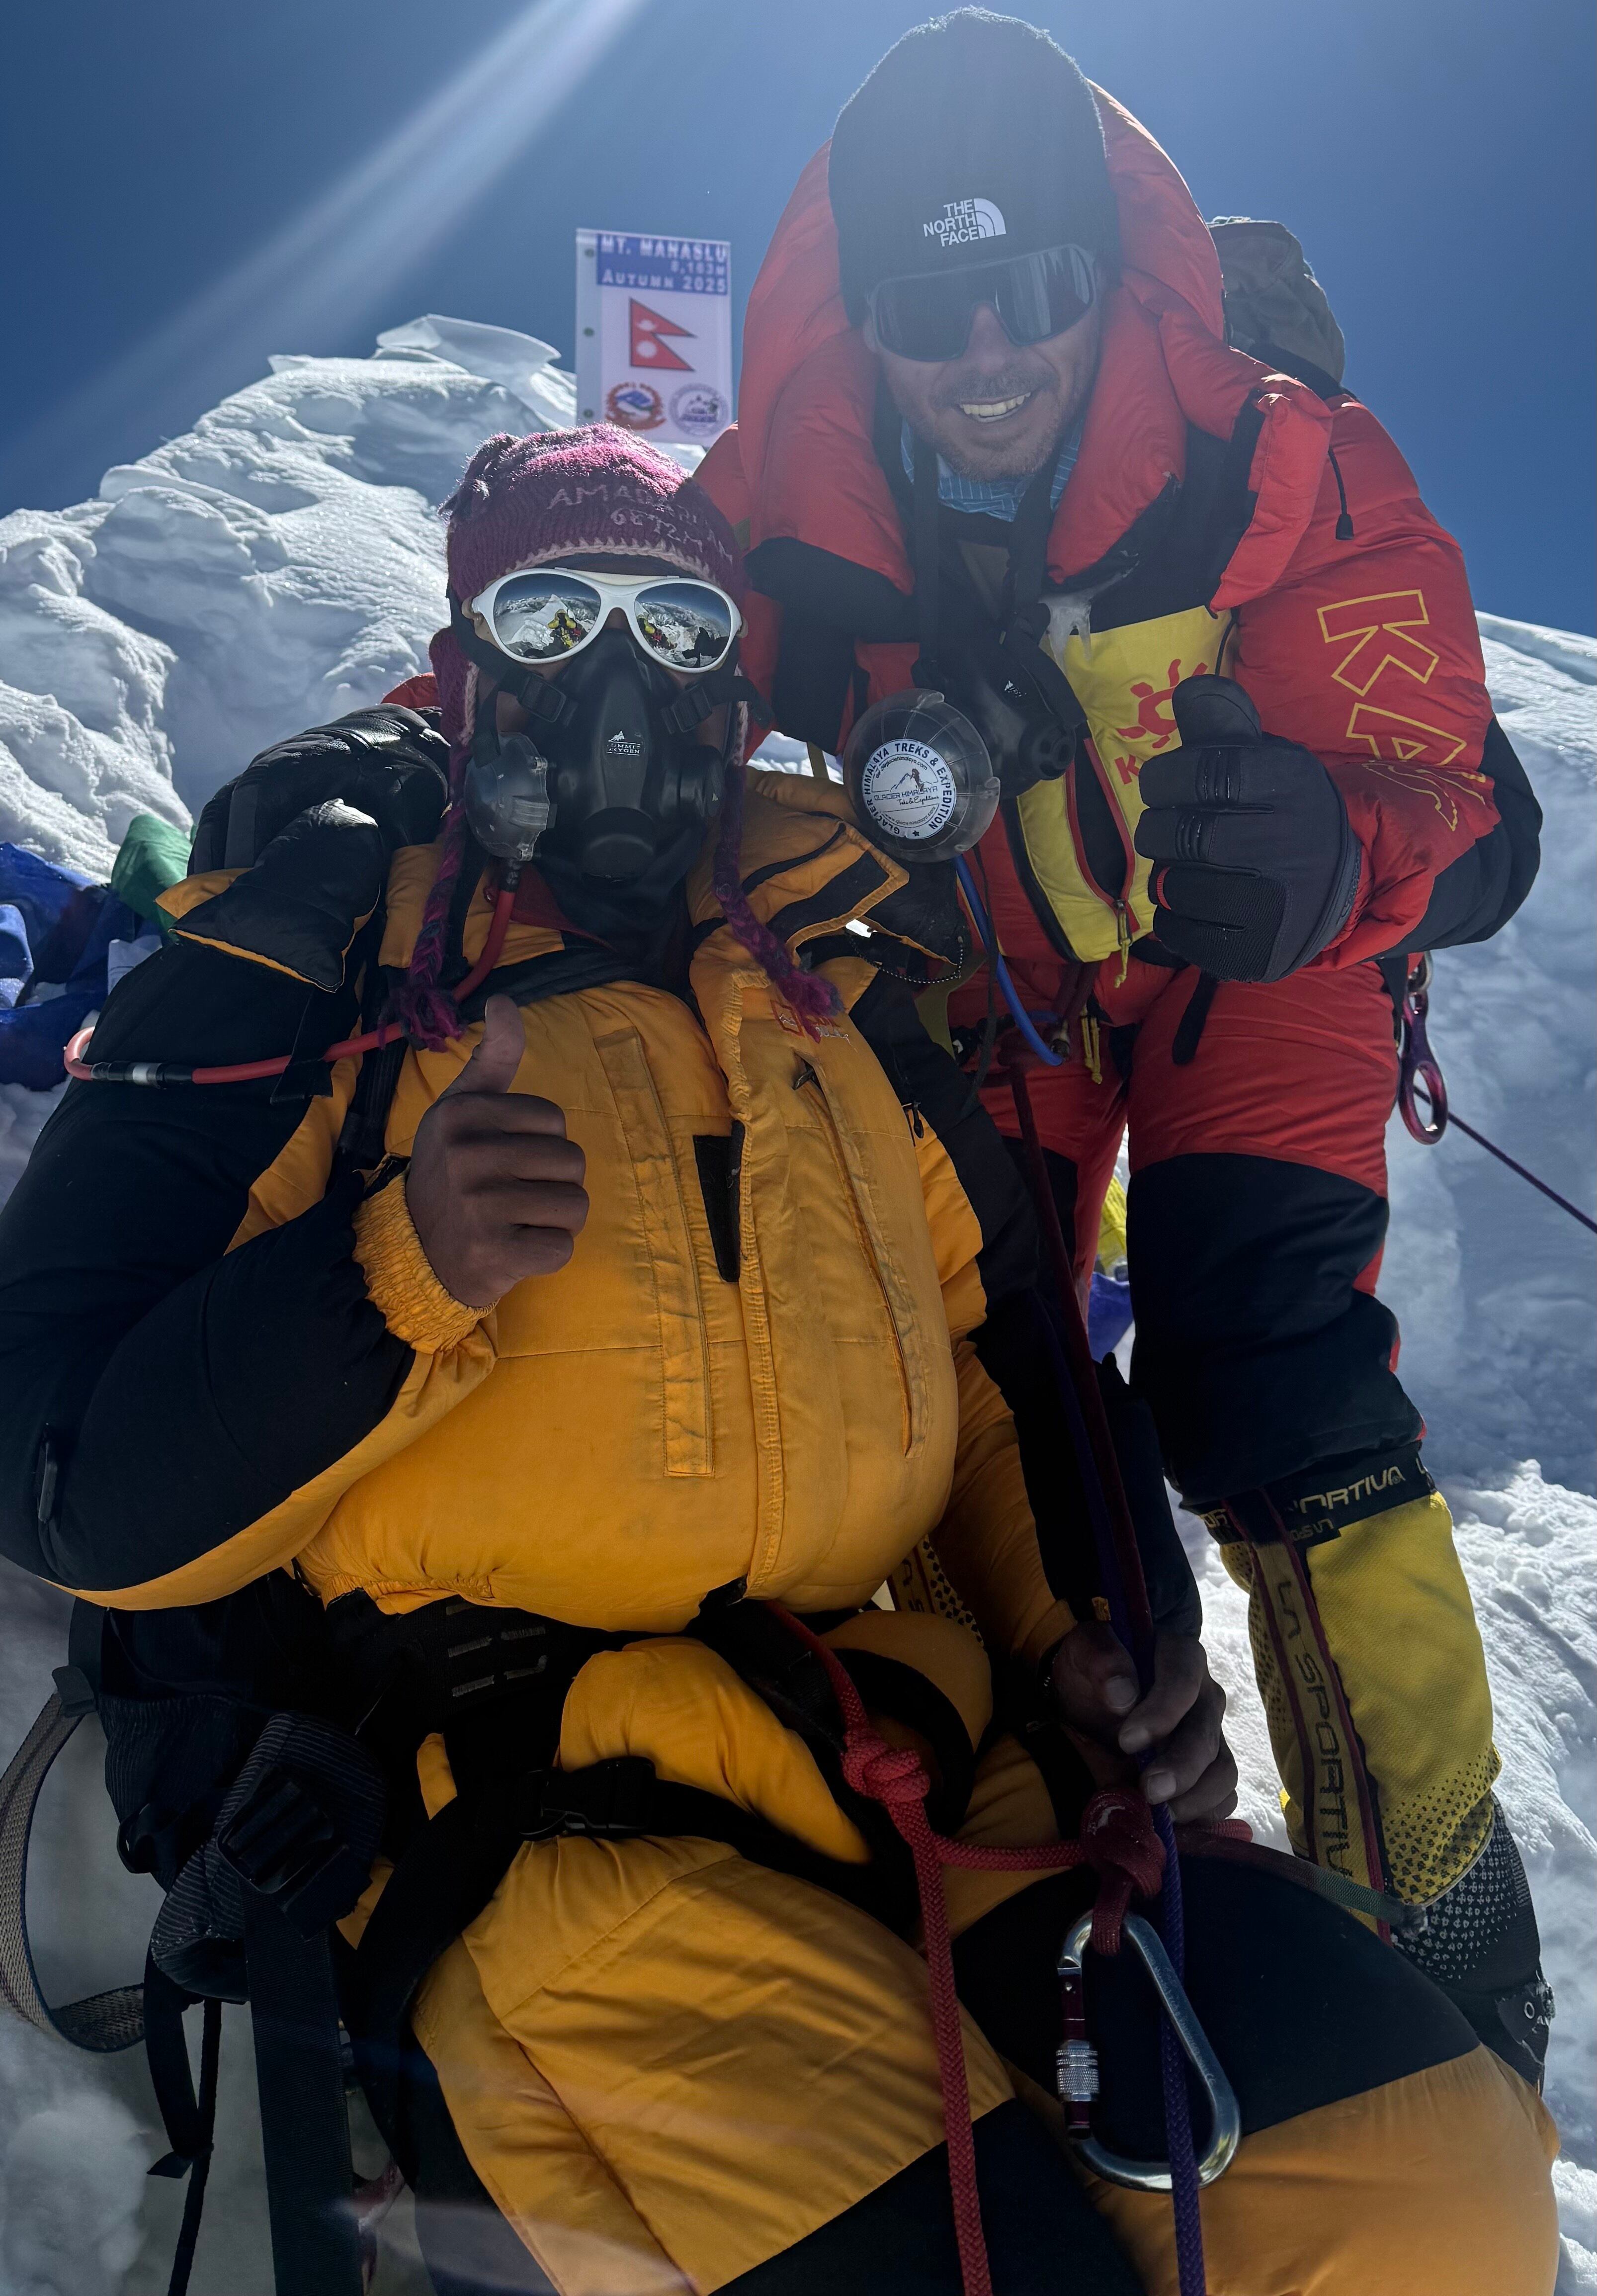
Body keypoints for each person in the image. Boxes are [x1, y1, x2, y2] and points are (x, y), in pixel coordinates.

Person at [0, 428, 1556, 2296]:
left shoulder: (841, 974)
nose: (620, 683)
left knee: (1431, 2186)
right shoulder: (316, 965)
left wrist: (1089, 1641)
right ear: (468, 662)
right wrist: (395, 1272)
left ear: (738, 674)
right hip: (539, 1824)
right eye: (554, 615)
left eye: (676, 626)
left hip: (920, 1760)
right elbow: (60, 1461)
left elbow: (1003, 1364)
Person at [698, 7, 1551, 2083]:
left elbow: (1467, 796)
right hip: (1002, 978)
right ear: (867, 311)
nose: (988, 355)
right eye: (929, 303)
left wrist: (1351, 841)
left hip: (1258, 955)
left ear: (1112, 276)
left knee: (1260, 1354)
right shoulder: (796, 498)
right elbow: (610, 613)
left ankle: (1434, 1931)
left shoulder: (1279, 457)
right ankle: (1138, 1862)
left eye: (1038, 291)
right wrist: (408, 755)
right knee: (1002, 1382)